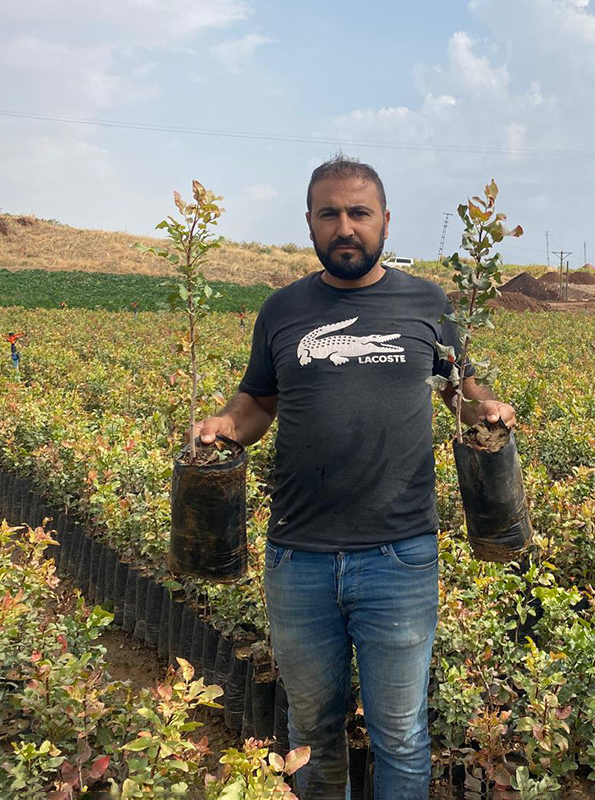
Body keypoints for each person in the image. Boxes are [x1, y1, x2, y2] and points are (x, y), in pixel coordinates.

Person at [191, 155, 516, 800]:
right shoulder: (281, 311)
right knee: (312, 729)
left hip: (400, 557)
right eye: (329, 214)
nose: (345, 227)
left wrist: (489, 409)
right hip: (298, 559)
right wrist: (223, 425)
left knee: (400, 732)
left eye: (358, 213)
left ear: (386, 222)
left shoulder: (429, 303)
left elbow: (461, 387)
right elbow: (257, 404)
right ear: (309, 224)